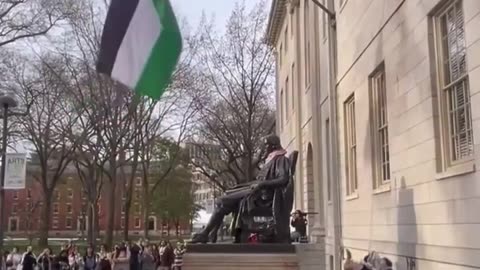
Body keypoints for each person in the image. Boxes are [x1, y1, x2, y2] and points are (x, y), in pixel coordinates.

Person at [191, 134, 292, 243]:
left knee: (222, 201)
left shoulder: (281, 159)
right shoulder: (272, 158)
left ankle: (206, 234)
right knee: (225, 197)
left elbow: (283, 179)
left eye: (266, 145)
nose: (264, 148)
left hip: (263, 198)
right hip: (256, 192)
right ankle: (211, 234)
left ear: (273, 146)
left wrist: (262, 184)